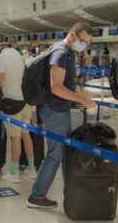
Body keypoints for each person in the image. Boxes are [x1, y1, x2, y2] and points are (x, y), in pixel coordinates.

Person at [26, 22, 96, 209]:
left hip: (58, 109)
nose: (84, 45)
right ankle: (37, 195)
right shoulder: (62, 52)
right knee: (55, 154)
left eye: (87, 43)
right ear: (73, 35)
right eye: (83, 41)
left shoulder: (64, 51)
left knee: (64, 152)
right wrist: (82, 99)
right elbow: (56, 87)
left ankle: (70, 192)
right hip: (54, 110)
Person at [0, 39, 37, 183]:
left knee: (15, 138)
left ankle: (14, 173)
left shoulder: (0, 58)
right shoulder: (18, 55)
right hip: (26, 102)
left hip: (13, 103)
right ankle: (32, 170)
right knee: (26, 134)